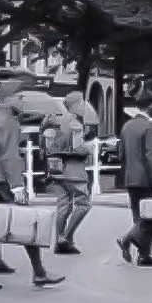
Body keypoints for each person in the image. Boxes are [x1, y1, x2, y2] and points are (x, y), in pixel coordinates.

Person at [0, 79, 65, 291]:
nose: (23, 101)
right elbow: (9, 155)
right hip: (3, 181)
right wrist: (17, 186)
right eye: (21, 96)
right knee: (28, 222)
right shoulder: (8, 120)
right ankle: (39, 272)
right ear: (12, 98)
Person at [41, 91, 97, 255]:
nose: (84, 107)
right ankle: (67, 237)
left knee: (63, 204)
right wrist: (88, 149)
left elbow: (48, 146)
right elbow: (77, 148)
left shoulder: (53, 121)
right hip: (74, 170)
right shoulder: (74, 124)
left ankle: (58, 238)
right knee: (83, 204)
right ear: (76, 105)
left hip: (56, 169)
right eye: (82, 104)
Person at [115, 86, 152, 267]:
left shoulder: (126, 126)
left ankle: (144, 255)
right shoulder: (151, 127)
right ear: (151, 106)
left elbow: (121, 153)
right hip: (146, 178)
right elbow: (151, 157)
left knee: (138, 215)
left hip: (130, 177)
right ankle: (128, 239)